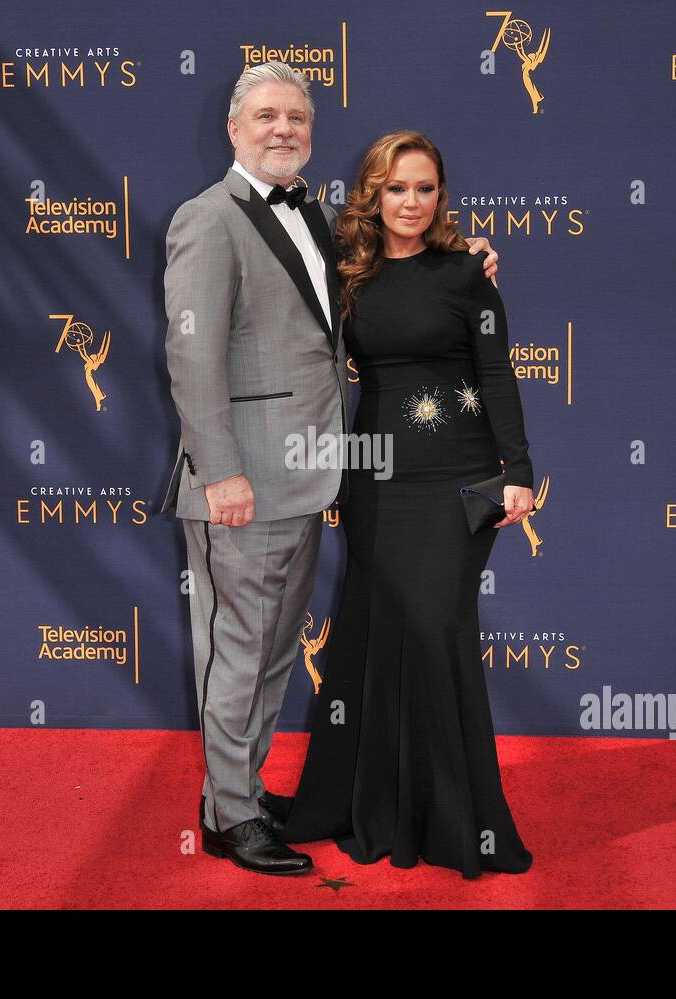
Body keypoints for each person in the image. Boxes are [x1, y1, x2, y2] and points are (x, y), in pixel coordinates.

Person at [160, 65, 498, 876]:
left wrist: (468, 260)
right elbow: (192, 357)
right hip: (242, 483)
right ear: (233, 129)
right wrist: (221, 473)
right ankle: (230, 815)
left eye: (298, 118)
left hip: (310, 475)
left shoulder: (311, 213)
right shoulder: (208, 219)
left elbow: (388, 273)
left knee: (276, 648)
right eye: (267, 116)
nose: (284, 129)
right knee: (238, 647)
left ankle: (236, 793)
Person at [282, 131, 536, 878]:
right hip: (376, 477)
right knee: (374, 635)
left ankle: (460, 824)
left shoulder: (467, 275)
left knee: (437, 630)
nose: (413, 203)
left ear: (441, 196)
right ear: (373, 193)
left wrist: (516, 469)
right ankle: (371, 807)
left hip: (456, 478)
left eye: (426, 189)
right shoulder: (347, 270)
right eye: (397, 188)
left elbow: (498, 374)